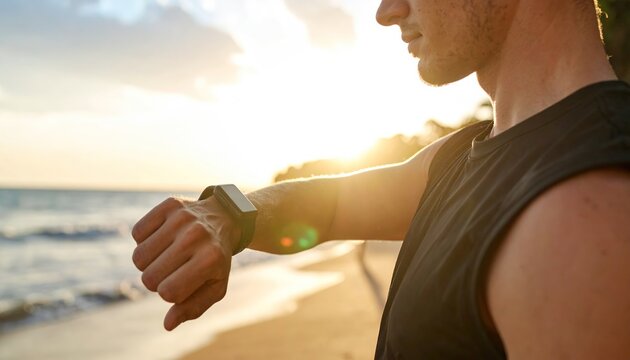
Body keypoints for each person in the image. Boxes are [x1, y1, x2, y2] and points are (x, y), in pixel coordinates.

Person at [131, 0, 630, 358]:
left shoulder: (586, 211)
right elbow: (331, 206)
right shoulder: (470, 152)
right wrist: (227, 216)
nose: (386, 10)